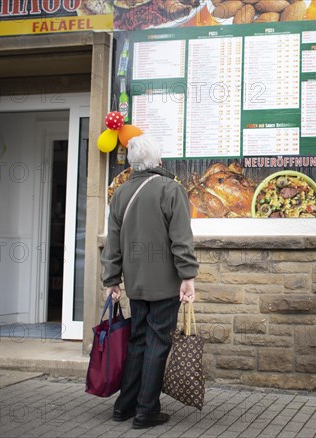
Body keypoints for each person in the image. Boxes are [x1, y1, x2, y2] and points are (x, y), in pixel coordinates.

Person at [101, 134, 198, 429]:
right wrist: (188, 276)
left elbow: (113, 242)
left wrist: (111, 279)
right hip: (164, 283)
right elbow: (181, 240)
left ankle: (124, 406)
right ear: (157, 160)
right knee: (157, 343)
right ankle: (146, 411)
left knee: (138, 341)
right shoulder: (170, 189)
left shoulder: (120, 193)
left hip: (136, 283)